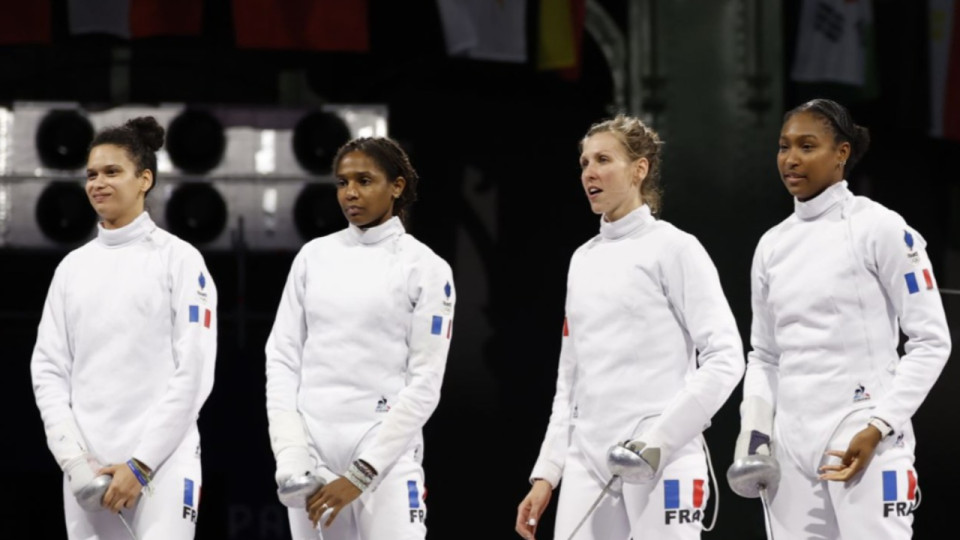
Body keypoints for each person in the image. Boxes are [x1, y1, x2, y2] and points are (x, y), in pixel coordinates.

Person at [515, 115, 745, 540]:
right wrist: (547, 472)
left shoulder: (675, 248)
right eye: (584, 162)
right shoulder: (582, 259)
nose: (589, 172)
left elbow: (726, 357)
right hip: (588, 461)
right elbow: (570, 380)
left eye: (603, 159)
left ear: (639, 169)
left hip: (664, 458)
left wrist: (658, 441)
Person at [732, 98, 951, 537]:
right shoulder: (771, 246)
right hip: (790, 445)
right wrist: (755, 433)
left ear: (841, 153)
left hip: (861, 432)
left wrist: (880, 425)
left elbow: (931, 341)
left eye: (807, 146)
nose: (791, 159)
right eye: (783, 146)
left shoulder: (880, 228)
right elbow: (764, 356)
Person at [31, 116, 218, 539]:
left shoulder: (180, 261)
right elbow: (48, 371)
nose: (98, 183)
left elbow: (195, 372)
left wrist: (142, 463)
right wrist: (75, 462)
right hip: (86, 469)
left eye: (112, 172)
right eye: (92, 174)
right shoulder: (72, 269)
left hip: (162, 466)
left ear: (144, 179)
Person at [265, 137, 455, 540]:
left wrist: (361, 473)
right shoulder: (312, 258)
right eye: (342, 182)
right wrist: (291, 454)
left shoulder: (426, 268)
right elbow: (281, 359)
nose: (350, 192)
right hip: (312, 454)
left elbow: (425, 384)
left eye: (364, 180)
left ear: (397, 187)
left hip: (384, 456)